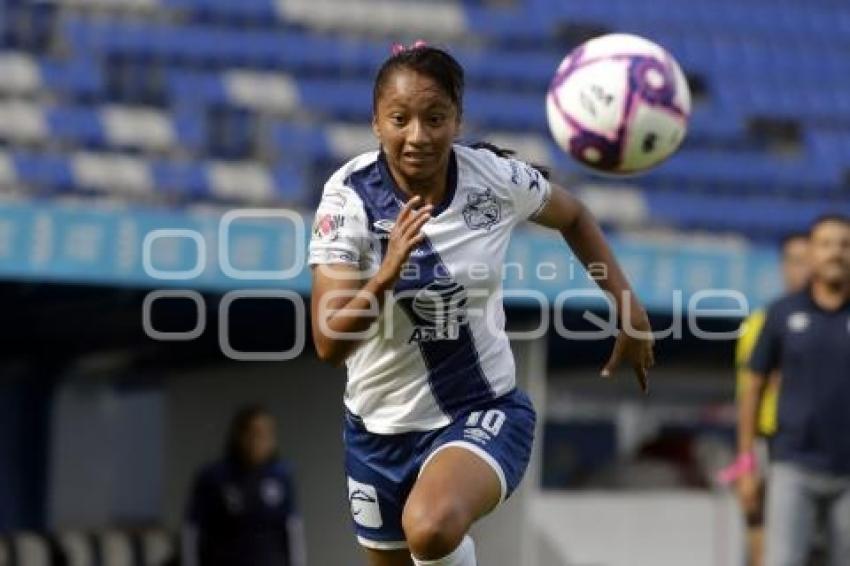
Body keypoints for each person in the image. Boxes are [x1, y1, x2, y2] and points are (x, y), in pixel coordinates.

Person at [309, 43, 655, 566]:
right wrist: (386, 274)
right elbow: (330, 343)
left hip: (481, 407)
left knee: (429, 528)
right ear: (376, 123)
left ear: (458, 120)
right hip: (378, 430)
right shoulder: (348, 200)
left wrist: (628, 309)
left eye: (435, 118)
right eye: (400, 119)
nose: (418, 136)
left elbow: (575, 216)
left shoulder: (493, 178)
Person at [737, 215, 850, 566]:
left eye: (845, 245)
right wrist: (746, 466)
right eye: (827, 244)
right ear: (812, 254)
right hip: (793, 465)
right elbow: (752, 389)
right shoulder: (781, 314)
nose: (836, 253)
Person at [728, 233, 809, 566]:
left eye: (807, 260)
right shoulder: (762, 323)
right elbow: (749, 393)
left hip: (823, 448)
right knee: (764, 539)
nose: (802, 270)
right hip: (770, 443)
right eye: (794, 260)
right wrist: (745, 464)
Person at [184, 405, 306, 566]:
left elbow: (292, 530)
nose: (260, 441)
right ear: (239, 435)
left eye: (266, 434)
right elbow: (192, 531)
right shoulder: (214, 477)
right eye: (254, 434)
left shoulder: (280, 476)